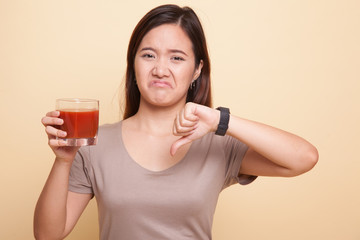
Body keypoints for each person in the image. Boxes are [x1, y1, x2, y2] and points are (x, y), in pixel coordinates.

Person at [34, 4, 318, 240]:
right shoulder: (94, 143)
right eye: (148, 55)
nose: (160, 69)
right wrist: (63, 161)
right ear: (133, 65)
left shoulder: (217, 146)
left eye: (177, 58)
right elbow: (48, 235)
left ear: (197, 70)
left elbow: (303, 158)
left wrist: (221, 120)